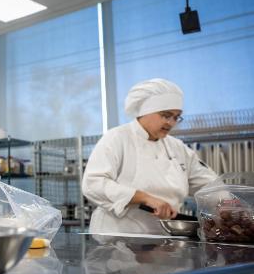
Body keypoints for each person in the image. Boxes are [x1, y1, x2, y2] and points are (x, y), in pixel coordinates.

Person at [82, 78, 217, 234]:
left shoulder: (177, 147)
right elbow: (93, 184)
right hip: (118, 237)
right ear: (144, 111)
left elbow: (209, 185)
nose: (171, 123)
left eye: (176, 117)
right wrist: (144, 198)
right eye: (166, 115)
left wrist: (230, 203)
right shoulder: (117, 138)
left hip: (165, 237)